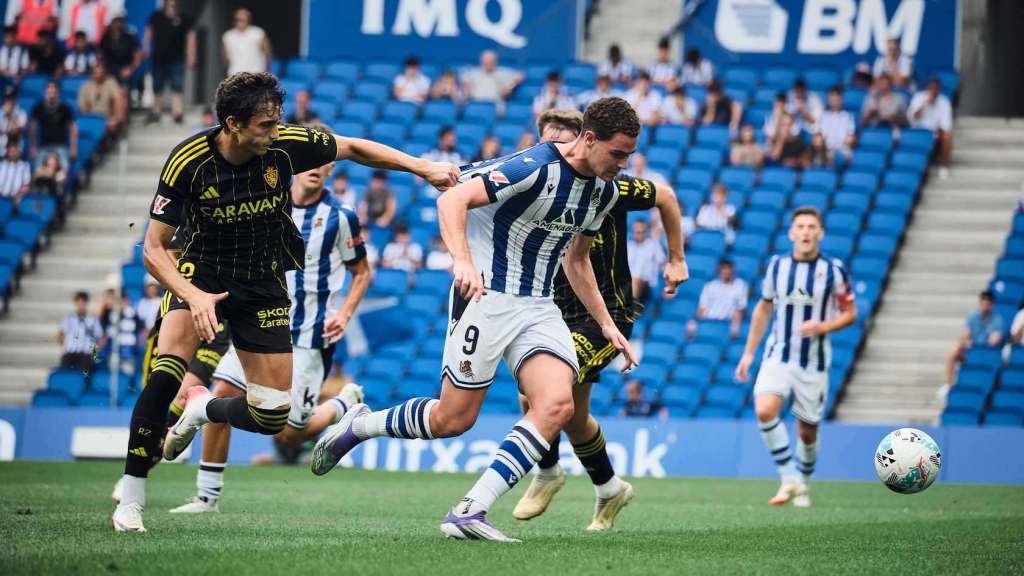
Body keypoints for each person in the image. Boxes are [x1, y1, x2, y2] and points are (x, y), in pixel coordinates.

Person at [111, 71, 459, 533]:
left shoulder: (285, 146)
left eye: (277, 122)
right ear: (233, 123)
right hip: (202, 272)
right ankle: (131, 496)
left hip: (263, 281)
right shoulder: (188, 161)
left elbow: (353, 147)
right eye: (264, 125)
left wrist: (424, 167)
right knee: (166, 373)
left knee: (273, 416)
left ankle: (203, 408)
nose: (275, 133)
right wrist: (193, 297)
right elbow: (154, 248)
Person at [310, 97, 648, 543]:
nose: (624, 165)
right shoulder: (535, 166)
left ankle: (469, 512)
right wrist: (462, 263)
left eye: (628, 156)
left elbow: (578, 261)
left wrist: (606, 325)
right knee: (452, 420)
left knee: (557, 405)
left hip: (539, 307)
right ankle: (361, 424)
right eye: (618, 154)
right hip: (486, 297)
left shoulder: (603, 192)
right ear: (588, 138)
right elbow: (453, 200)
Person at [494, 108, 689, 531]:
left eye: (561, 143)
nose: (554, 153)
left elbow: (667, 198)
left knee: (541, 396)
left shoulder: (609, 185)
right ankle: (610, 487)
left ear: (583, 142)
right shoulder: (531, 181)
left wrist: (676, 259)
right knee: (574, 416)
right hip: (548, 310)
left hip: (607, 313)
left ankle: (547, 472)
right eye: (546, 145)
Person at [166, 141, 372, 514]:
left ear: (331, 170)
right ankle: (207, 496)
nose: (314, 167)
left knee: (289, 434)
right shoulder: (267, 199)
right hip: (258, 320)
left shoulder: (341, 216)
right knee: (225, 389)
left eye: (323, 163)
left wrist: (343, 314)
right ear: (294, 164)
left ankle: (345, 403)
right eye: (309, 161)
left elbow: (362, 271)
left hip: (308, 339)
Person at [735, 207, 857, 508]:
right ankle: (789, 478)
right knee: (764, 408)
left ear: (820, 233)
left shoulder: (834, 271)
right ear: (791, 233)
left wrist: (823, 326)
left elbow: (850, 313)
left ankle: (803, 485)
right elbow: (763, 308)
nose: (805, 232)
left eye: (811, 226)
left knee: (807, 432)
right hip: (778, 354)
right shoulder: (776, 267)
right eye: (800, 226)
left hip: (813, 362)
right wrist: (749, 354)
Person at [941, 291, 1004, 398]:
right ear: (980, 303)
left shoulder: (997, 320)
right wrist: (966, 342)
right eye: (983, 302)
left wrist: (978, 342)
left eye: (987, 302)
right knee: (954, 353)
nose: (985, 305)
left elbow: (994, 341)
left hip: (987, 353)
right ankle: (949, 385)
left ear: (992, 304)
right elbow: (964, 337)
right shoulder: (972, 317)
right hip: (972, 351)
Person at [145, 0, 195, 125]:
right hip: (159, 58)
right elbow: (148, 33)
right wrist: (145, 49)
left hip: (177, 58)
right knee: (157, 85)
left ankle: (177, 112)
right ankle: (156, 111)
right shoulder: (156, 16)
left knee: (177, 86)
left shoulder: (184, 18)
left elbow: (190, 37)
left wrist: (191, 55)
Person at [688, 259, 748, 340]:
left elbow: (741, 309)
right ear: (719, 270)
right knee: (691, 326)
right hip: (709, 320)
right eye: (723, 269)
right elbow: (702, 308)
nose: (726, 271)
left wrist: (736, 324)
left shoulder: (741, 285)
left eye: (728, 268)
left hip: (727, 323)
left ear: (732, 270)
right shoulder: (710, 286)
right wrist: (697, 322)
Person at [907, 78, 954, 179]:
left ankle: (943, 167)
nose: (933, 91)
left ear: (939, 90)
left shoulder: (944, 102)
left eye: (936, 89)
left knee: (947, 136)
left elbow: (946, 126)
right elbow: (912, 118)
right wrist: (924, 105)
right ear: (927, 89)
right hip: (918, 133)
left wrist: (936, 133)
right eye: (931, 88)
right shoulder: (918, 98)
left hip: (935, 133)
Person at [29, 80, 76, 170]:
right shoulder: (38, 107)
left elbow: (72, 129)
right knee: (37, 170)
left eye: (54, 92)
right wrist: (33, 147)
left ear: (58, 93)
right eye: (49, 92)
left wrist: (73, 147)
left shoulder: (65, 108)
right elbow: (32, 128)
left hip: (61, 146)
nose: (51, 95)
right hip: (43, 146)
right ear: (45, 93)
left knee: (65, 169)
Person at [58, 290, 105, 373]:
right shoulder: (69, 318)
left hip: (86, 354)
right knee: (65, 370)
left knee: (85, 372)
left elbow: (101, 337)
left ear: (86, 303)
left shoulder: (93, 319)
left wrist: (94, 351)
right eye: (79, 303)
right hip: (71, 353)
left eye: (83, 303)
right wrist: (65, 347)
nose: (81, 306)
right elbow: (61, 334)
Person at [98, 15, 140, 102]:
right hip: (109, 71)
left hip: (125, 71)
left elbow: (138, 55)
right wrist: (103, 70)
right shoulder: (105, 38)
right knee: (109, 95)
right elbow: (100, 56)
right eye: (115, 21)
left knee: (123, 94)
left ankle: (124, 113)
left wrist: (131, 69)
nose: (118, 24)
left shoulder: (129, 37)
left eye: (120, 21)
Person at [78, 60, 124, 134]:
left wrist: (115, 118)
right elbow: (82, 107)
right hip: (92, 118)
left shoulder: (110, 82)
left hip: (107, 118)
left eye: (101, 73)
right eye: (96, 73)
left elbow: (118, 100)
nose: (98, 75)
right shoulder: (85, 86)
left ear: (104, 73)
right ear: (92, 73)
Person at [221, 8, 270, 77]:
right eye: (237, 19)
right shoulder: (228, 35)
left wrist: (266, 71)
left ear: (248, 20)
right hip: (235, 74)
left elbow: (267, 53)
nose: (239, 22)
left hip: (256, 73)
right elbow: (226, 57)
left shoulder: (258, 33)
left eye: (242, 20)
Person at [626, 219, 665, 302]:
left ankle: (628, 313)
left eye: (641, 232)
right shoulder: (628, 246)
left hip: (647, 283)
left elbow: (663, 265)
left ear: (646, 232)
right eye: (637, 232)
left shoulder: (653, 245)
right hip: (627, 282)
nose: (639, 234)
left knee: (634, 280)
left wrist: (669, 286)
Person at [818, 86, 856, 164]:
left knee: (840, 156)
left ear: (841, 99)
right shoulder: (823, 116)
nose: (834, 101)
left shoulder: (848, 116)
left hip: (843, 152)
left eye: (837, 98)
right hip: (825, 151)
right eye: (832, 98)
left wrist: (838, 149)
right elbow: (819, 137)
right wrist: (826, 149)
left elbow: (850, 138)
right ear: (828, 99)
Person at [0, 139, 32, 204]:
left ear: (19, 152)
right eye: (10, 151)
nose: (12, 154)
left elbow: (26, 185)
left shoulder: (25, 166)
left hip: (15, 199)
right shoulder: (1, 165)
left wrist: (17, 195)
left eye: (14, 151)